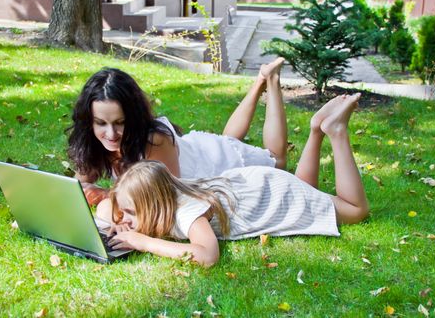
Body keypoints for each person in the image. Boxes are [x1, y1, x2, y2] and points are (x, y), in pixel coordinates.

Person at [107, 93, 369, 267]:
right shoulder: (168, 198)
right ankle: (315, 129)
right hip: (262, 184)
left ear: (154, 205)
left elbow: (208, 256)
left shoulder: (185, 212)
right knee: (307, 190)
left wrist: (143, 242)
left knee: (355, 210)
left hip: (274, 193)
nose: (124, 219)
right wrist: (127, 227)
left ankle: (336, 132)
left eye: (129, 212)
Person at [67, 59, 288, 206]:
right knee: (229, 139)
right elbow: (79, 185)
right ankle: (260, 79)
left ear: (133, 118)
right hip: (197, 148)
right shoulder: (92, 140)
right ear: (89, 121)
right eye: (100, 123)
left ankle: (273, 79)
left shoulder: (155, 140)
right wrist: (84, 189)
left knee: (276, 160)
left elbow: (166, 197)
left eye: (120, 122)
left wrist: (107, 195)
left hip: (209, 165)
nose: (111, 133)